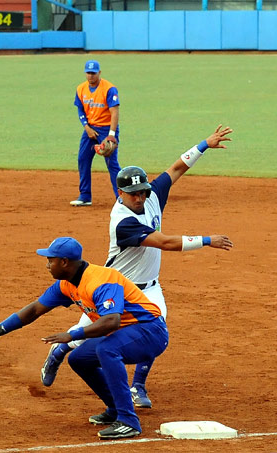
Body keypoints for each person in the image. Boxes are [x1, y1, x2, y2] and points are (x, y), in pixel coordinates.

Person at [41, 125, 234, 409]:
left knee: (154, 328)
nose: (140, 197)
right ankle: (59, 350)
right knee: (85, 337)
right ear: (120, 193)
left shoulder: (152, 195)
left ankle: (138, 386)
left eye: (143, 191)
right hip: (112, 289)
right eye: (133, 194)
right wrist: (207, 240)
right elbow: (165, 243)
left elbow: (177, 168)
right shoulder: (122, 221)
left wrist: (204, 144)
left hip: (149, 289)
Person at [0, 237, 168, 440]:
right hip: (126, 333)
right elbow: (34, 310)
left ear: (64, 262)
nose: (47, 265)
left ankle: (128, 421)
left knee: (107, 349)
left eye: (51, 260)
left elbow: (111, 321)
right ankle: (115, 409)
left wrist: (72, 335)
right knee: (79, 359)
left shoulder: (102, 279)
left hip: (150, 331)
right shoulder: (66, 284)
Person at [70, 60, 122, 207]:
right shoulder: (80, 89)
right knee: (83, 159)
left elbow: (114, 112)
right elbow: (80, 109)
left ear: (99, 73)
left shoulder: (109, 89)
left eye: (93, 73)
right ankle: (85, 196)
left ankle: (122, 198)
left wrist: (111, 134)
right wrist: (86, 127)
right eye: (88, 73)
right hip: (90, 129)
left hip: (106, 129)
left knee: (112, 164)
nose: (91, 76)